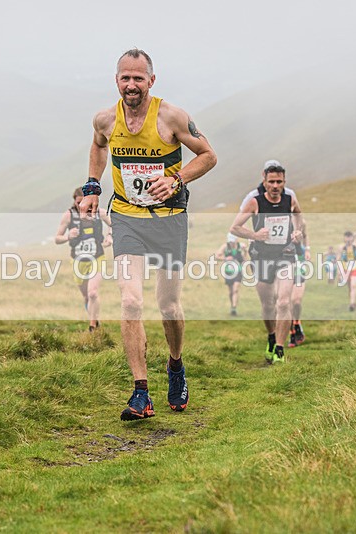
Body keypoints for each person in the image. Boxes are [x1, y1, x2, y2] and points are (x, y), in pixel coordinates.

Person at [79, 49, 217, 421]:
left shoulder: (172, 117)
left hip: (169, 219)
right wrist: (93, 186)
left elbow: (208, 155)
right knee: (131, 301)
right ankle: (141, 392)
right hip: (126, 216)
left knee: (168, 305)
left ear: (151, 81)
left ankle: (175, 366)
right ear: (116, 80)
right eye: (125, 77)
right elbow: (98, 145)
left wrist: (175, 178)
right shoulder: (106, 119)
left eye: (139, 78)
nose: (131, 84)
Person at [230, 160, 303, 364]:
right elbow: (234, 228)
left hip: (286, 254)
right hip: (261, 257)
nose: (275, 186)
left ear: (284, 181)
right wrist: (255, 235)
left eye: (279, 181)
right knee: (268, 304)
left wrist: (298, 232)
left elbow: (299, 216)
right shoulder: (255, 201)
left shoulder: (290, 198)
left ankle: (279, 348)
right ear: (264, 180)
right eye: (271, 181)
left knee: (283, 301)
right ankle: (271, 335)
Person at [55, 187, 112, 332]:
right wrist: (68, 236)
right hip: (78, 261)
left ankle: (92, 327)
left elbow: (115, 225)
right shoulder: (68, 216)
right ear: (75, 201)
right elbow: (57, 238)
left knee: (93, 292)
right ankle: (95, 319)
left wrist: (109, 236)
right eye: (78, 203)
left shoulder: (99, 213)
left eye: (83, 203)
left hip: (97, 257)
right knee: (87, 296)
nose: (81, 207)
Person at [214, 233, 246, 316]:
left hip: (238, 270)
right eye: (230, 241)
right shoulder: (225, 246)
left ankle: (234, 308)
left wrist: (245, 254)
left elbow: (245, 257)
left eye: (233, 241)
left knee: (236, 289)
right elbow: (217, 256)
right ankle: (232, 306)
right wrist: (225, 258)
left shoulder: (241, 246)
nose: (231, 243)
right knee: (231, 291)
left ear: (236, 239)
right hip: (228, 271)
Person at [339, 231, 356, 312]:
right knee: (349, 287)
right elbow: (338, 259)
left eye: (350, 237)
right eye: (346, 237)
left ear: (352, 238)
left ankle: (352, 303)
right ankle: (352, 302)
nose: (348, 239)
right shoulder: (342, 248)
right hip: (346, 269)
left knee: (353, 285)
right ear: (344, 238)